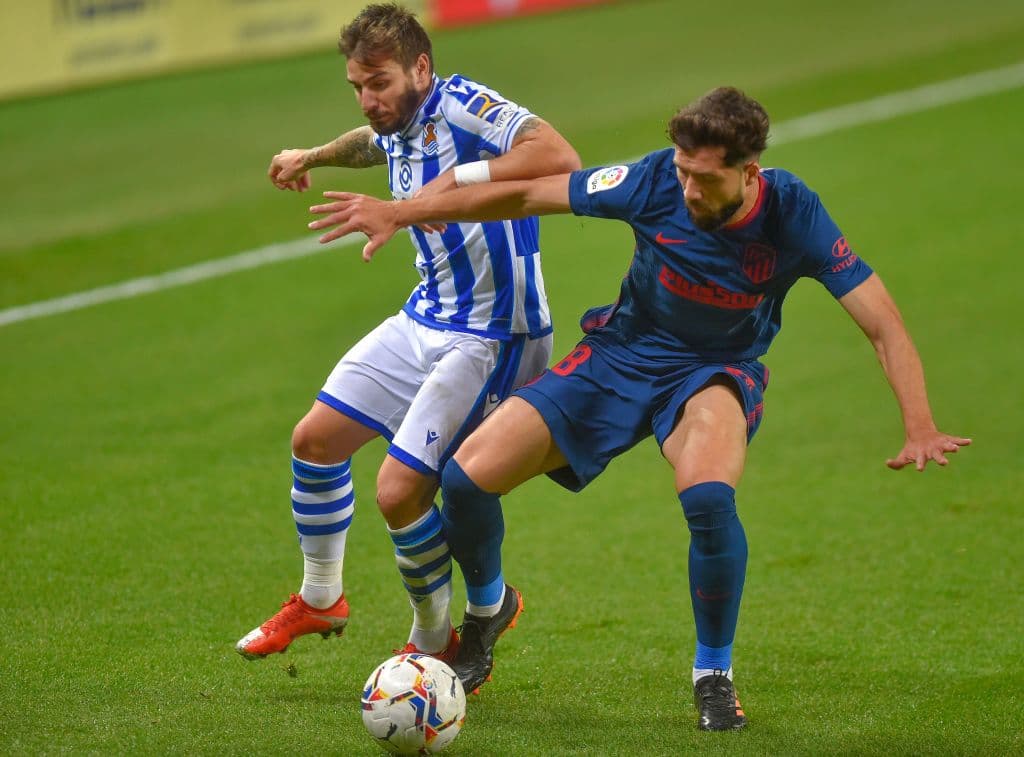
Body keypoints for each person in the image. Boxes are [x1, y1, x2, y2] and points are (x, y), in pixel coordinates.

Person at [308, 86, 970, 729]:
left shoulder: (792, 211)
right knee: (464, 477)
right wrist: (408, 211)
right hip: (619, 355)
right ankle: (487, 612)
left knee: (709, 498)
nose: (687, 190)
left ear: (750, 172)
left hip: (714, 372)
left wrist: (919, 423)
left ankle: (713, 674)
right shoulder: (653, 180)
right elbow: (527, 193)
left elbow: (881, 320)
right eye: (682, 172)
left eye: (705, 179)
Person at [235, 3, 580, 665]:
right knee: (314, 440)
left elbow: (557, 153)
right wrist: (313, 154)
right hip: (427, 316)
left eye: (380, 84)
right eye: (357, 88)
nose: (368, 100)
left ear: (422, 67)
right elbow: (378, 144)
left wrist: (451, 183)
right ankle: (320, 596)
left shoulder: (462, 105)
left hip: (493, 334)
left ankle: (432, 640)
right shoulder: (398, 118)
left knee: (400, 491)